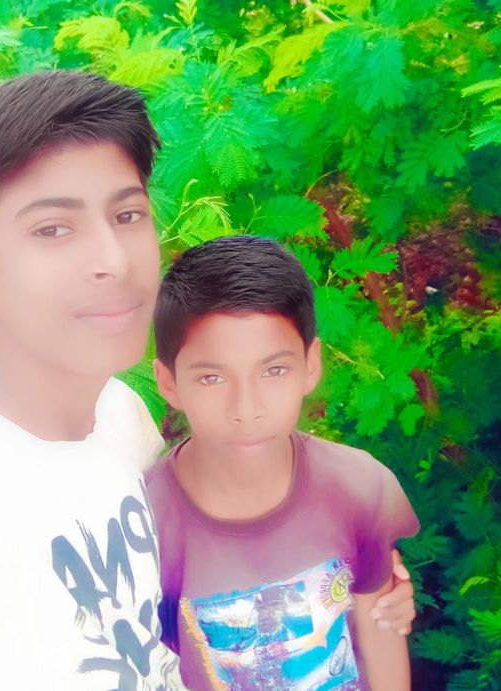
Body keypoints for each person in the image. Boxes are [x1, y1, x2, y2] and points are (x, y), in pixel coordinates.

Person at [0, 72, 414, 691]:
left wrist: (364, 585)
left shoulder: (119, 414)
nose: (114, 260)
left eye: (127, 214)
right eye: (52, 228)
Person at [147, 235, 421, 691]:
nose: (247, 409)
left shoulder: (359, 486)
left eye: (274, 370)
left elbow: (383, 630)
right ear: (169, 382)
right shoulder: (144, 526)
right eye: (212, 377)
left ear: (310, 365)